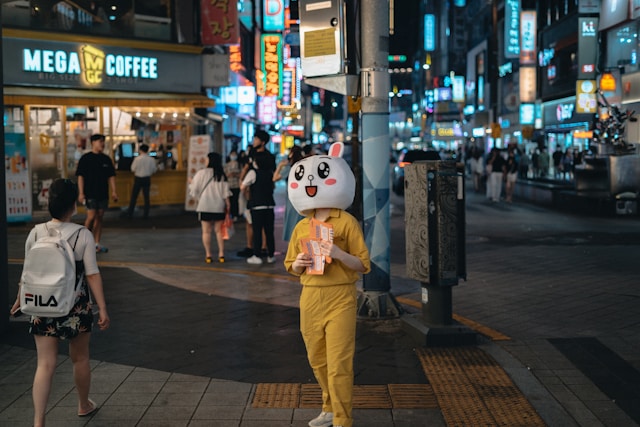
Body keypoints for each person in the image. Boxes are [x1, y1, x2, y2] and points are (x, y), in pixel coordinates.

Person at [10, 178, 110, 427]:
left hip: (41, 302)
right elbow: (92, 273)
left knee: (45, 363)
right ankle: (83, 404)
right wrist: (103, 308)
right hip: (75, 306)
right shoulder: (82, 235)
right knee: (80, 358)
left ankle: (38, 420)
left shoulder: (36, 232)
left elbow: (29, 271)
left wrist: (20, 297)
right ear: (73, 204)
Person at [284, 142, 370, 427]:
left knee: (339, 363)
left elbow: (363, 264)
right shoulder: (300, 226)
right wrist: (298, 264)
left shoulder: (346, 221)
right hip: (309, 296)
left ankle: (343, 420)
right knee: (317, 359)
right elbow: (290, 266)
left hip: (341, 296)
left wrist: (339, 254)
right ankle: (329, 406)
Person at [75, 134, 118, 253]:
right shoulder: (86, 158)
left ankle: (96, 243)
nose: (102, 144)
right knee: (91, 216)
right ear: (93, 143)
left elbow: (111, 177)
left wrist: (114, 191)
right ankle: (83, 242)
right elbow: (80, 177)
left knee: (100, 217)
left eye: (103, 142)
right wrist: (81, 193)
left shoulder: (106, 159)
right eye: (100, 142)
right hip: (90, 193)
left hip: (103, 193)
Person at [189, 152, 231, 263]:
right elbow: (226, 193)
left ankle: (208, 255)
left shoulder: (201, 173)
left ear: (210, 160)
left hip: (205, 206)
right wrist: (228, 204)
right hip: (218, 206)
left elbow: (194, 190)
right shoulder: (221, 174)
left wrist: (191, 183)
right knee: (219, 231)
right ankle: (221, 255)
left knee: (206, 232)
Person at [241, 151, 276, 264]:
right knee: (269, 232)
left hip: (257, 207)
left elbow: (243, 186)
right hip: (269, 206)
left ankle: (257, 255)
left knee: (257, 231)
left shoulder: (253, 172)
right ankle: (271, 255)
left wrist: (247, 194)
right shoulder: (270, 172)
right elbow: (273, 186)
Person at [273, 145, 305, 241]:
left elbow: (274, 178)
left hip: (292, 200)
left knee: (292, 225)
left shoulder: (290, 168)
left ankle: (294, 249)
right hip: (304, 200)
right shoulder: (303, 166)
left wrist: (279, 166)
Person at [126, 143, 157, 219]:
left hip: (138, 178)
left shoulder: (137, 159)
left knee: (134, 197)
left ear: (140, 150)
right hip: (147, 178)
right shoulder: (151, 159)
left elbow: (132, 169)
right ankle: (146, 215)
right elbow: (154, 170)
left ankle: (130, 213)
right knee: (146, 197)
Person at [223, 149, 242, 220]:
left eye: (235, 154)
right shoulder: (226, 165)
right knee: (229, 201)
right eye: (232, 154)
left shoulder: (239, 165)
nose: (233, 156)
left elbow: (242, 174)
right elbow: (224, 175)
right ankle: (229, 214)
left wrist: (235, 174)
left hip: (236, 185)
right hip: (228, 185)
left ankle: (235, 214)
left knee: (235, 201)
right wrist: (228, 175)